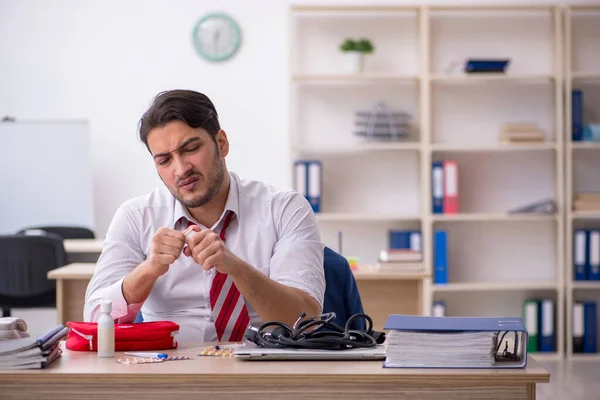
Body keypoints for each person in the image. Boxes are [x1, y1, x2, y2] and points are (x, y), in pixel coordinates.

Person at [84, 89, 325, 344]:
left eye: (191, 149)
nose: (181, 169)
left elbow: (305, 322)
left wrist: (235, 267)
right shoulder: (136, 217)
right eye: (164, 160)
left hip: (263, 368)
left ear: (221, 143)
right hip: (169, 368)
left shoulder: (285, 209)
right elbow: (94, 319)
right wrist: (148, 270)